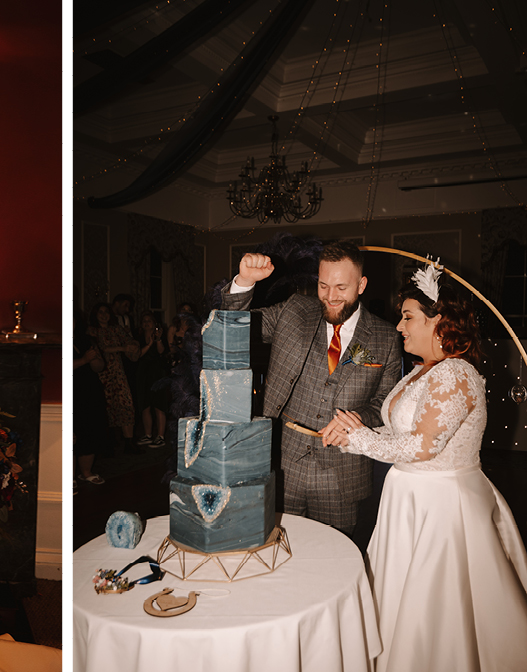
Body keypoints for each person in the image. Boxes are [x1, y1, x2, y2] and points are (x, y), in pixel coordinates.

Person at [327, 267, 527, 671]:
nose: (399, 325)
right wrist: (357, 430)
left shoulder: (456, 373)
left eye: (408, 316)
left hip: (442, 509)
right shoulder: (422, 369)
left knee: (438, 611)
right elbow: (402, 430)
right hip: (409, 502)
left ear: (440, 320)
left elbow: (423, 445)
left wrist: (359, 440)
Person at [217, 241, 402, 537]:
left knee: (333, 556)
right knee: (275, 547)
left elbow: (385, 403)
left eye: (341, 288)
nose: (330, 297)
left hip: (342, 472)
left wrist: (357, 420)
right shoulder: (293, 311)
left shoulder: (386, 337)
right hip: (281, 461)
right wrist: (244, 282)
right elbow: (232, 327)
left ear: (362, 285)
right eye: (324, 285)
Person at [88, 303, 141, 455]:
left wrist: (133, 345)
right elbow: (100, 348)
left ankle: (129, 441)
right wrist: (122, 349)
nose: (104, 315)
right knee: (106, 405)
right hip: (102, 372)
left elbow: (129, 340)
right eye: (100, 312)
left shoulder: (116, 329)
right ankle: (108, 442)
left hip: (118, 371)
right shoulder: (92, 331)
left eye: (106, 312)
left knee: (125, 403)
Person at [73, 309, 109, 487]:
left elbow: (99, 367)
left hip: (89, 390)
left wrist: (94, 358)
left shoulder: (85, 339)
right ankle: (68, 477)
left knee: (90, 430)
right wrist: (83, 360)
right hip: (70, 391)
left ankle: (86, 472)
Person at [135, 310, 169, 448]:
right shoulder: (137, 338)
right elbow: (137, 355)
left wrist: (157, 339)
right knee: (145, 405)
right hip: (143, 373)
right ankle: (148, 435)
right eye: (144, 321)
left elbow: (162, 351)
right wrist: (148, 344)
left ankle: (160, 436)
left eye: (149, 320)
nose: (146, 323)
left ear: (155, 323)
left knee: (159, 405)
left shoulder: (160, 336)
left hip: (157, 373)